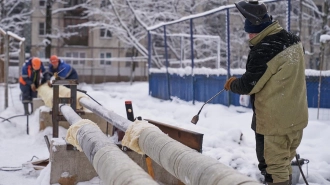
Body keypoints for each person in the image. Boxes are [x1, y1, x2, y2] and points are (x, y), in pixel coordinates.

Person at [224, 1, 308, 185]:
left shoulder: (265, 48)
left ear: (257, 29)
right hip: (295, 119)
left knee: (273, 168)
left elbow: (249, 84)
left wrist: (232, 84)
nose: (249, 36)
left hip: (275, 123)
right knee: (284, 163)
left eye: (250, 32)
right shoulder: (292, 40)